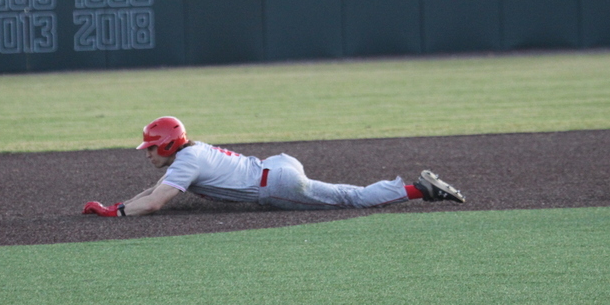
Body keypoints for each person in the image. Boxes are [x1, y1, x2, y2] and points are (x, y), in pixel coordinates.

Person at [83, 116, 465, 217]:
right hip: (276, 166)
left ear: (167, 144)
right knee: (348, 194)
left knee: (352, 198)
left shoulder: (187, 161)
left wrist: (116, 214)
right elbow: (152, 192)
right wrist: (116, 207)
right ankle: (418, 188)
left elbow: (153, 203)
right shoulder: (189, 156)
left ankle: (419, 189)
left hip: (277, 184)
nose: (147, 154)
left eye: (151, 148)